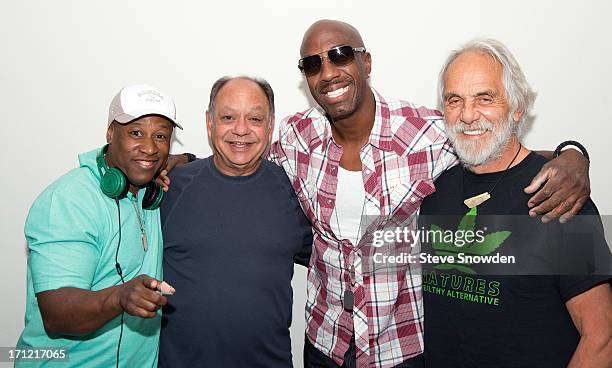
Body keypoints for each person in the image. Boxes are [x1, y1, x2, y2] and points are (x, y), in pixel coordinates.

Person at [163, 20, 591, 368]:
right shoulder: (295, 137)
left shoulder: (425, 132)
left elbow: (493, 140)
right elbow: (240, 145)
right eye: (312, 64)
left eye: (340, 55)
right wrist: (179, 161)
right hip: (324, 344)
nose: (327, 71)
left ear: (366, 62)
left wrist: (573, 155)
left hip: (401, 348)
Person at [419, 38, 612, 367]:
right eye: (454, 100)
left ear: (517, 106)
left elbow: (602, 337)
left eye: (484, 98)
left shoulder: (558, 195)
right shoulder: (436, 192)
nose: (467, 115)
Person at [16, 84, 180, 367]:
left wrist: (181, 161)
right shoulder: (68, 201)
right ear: (110, 133)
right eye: (136, 132)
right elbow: (57, 314)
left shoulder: (149, 191)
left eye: (161, 137)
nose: (150, 147)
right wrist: (120, 297)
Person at [158, 76, 313, 368]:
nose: (241, 130)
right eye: (228, 117)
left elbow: (333, 258)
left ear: (270, 126)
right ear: (209, 123)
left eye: (254, 118)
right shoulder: (171, 187)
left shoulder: (294, 191)